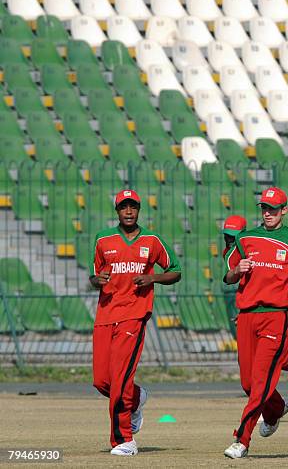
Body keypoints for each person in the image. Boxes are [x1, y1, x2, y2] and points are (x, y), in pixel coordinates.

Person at [222, 187, 288, 459]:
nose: (268, 213)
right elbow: (228, 276)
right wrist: (236, 270)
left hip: (277, 315)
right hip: (247, 316)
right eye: (264, 208)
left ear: (284, 210)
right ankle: (277, 407)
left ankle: (241, 440)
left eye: (274, 209)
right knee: (248, 383)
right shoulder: (246, 239)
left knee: (260, 381)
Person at [90, 190, 181, 456]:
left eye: (133, 207)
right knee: (101, 381)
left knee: (119, 380)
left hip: (134, 314)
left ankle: (124, 441)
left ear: (139, 209)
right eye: (123, 207)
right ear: (117, 210)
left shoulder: (152, 240)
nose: (128, 211)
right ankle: (137, 397)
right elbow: (95, 275)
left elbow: (175, 271)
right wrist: (97, 280)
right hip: (106, 314)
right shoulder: (103, 239)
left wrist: (153, 279)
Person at [222, 214, 288, 394]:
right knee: (254, 368)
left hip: (281, 307)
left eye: (233, 236)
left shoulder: (285, 239)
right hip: (254, 310)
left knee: (279, 358)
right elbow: (233, 279)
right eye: (227, 236)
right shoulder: (239, 247)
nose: (230, 240)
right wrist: (247, 313)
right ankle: (274, 407)